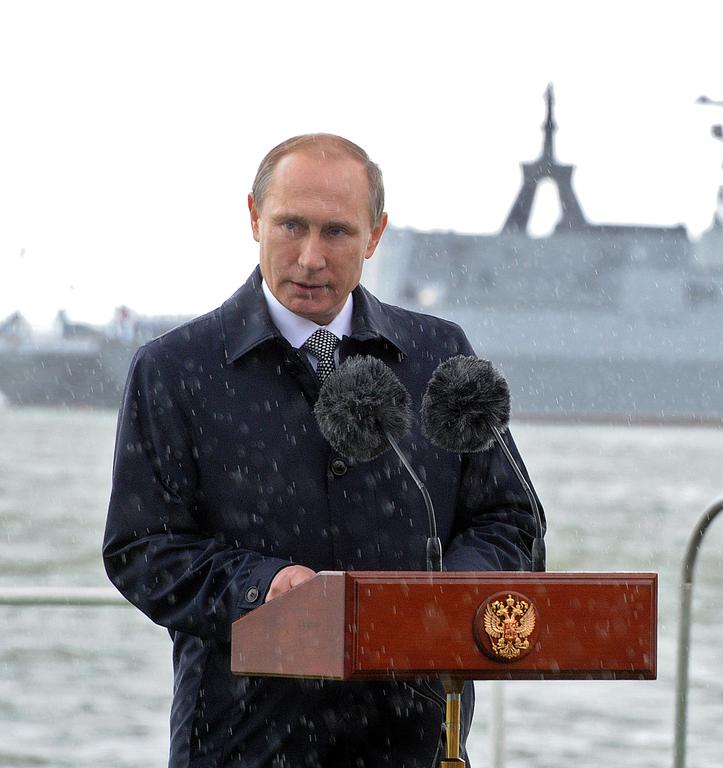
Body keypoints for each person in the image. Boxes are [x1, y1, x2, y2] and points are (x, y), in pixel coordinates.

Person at [103, 133, 542, 767]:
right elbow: (141, 548)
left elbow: (512, 519)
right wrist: (263, 587)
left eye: (336, 232)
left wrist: (453, 591)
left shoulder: (440, 355)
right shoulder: (173, 369)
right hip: (241, 743)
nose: (310, 257)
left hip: (413, 744)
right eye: (290, 226)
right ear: (254, 217)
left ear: (376, 234)